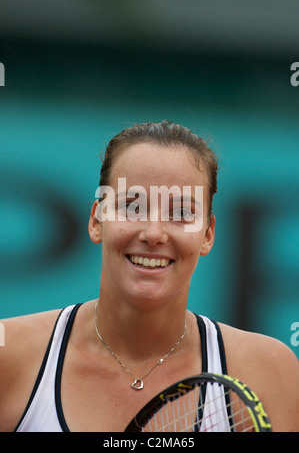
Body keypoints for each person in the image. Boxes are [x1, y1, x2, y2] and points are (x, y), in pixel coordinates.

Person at [0, 120, 298, 432]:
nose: (154, 233)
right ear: (96, 221)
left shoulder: (270, 371)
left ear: (208, 234)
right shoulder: (8, 356)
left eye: (180, 213)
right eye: (132, 207)